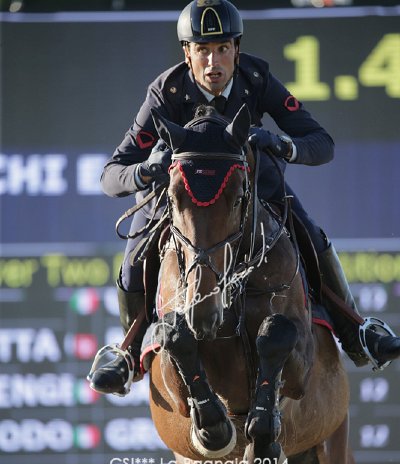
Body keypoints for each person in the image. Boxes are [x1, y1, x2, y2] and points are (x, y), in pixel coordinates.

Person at [88, 0, 400, 396]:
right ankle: (128, 353)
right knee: (133, 260)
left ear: (237, 49)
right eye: (202, 50)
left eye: (222, 48)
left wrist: (282, 145)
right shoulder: (166, 91)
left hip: (249, 190)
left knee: (310, 234)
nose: (212, 62)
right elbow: (110, 175)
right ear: (187, 53)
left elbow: (321, 143)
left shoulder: (256, 78)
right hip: (180, 199)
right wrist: (146, 171)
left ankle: (356, 332)